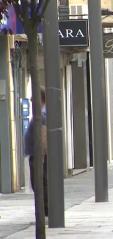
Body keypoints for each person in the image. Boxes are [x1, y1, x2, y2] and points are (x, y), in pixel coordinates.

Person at [24, 88, 48, 217]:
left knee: (39, 183)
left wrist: (42, 155)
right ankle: (44, 211)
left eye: (34, 98)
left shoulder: (42, 115)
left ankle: (45, 212)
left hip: (38, 156)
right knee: (39, 183)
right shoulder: (41, 113)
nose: (31, 100)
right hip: (36, 155)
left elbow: (43, 135)